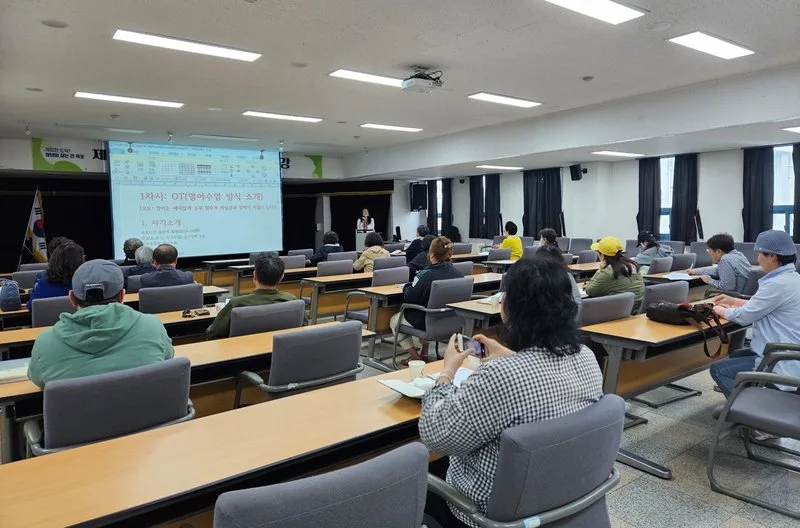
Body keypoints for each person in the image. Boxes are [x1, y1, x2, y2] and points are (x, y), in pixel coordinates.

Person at [419, 258, 604, 528]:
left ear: (508, 308)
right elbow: (542, 376)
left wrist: (446, 372)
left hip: (485, 515)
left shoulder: (500, 376)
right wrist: (510, 356)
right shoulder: (586, 357)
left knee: (419, 473)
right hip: (557, 497)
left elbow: (435, 437)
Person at [27, 259, 174, 388]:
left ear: (71, 298)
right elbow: (168, 357)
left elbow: (38, 379)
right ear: (122, 295)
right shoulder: (153, 326)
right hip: (145, 411)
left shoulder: (44, 343)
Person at [710, 230, 800, 399]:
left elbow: (743, 317)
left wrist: (717, 309)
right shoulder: (792, 278)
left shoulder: (777, 284)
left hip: (781, 358)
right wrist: (734, 301)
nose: (758, 259)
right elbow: (764, 306)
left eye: (760, 254)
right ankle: (752, 393)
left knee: (719, 369)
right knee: (736, 355)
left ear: (772, 256)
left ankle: (747, 408)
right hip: (786, 350)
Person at [391, 236, 464, 362]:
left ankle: (415, 357)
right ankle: (424, 352)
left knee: (394, 321)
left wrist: (408, 286)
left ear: (431, 255)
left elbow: (409, 297)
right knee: (425, 310)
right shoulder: (460, 275)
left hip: (428, 322)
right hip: (452, 321)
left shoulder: (424, 275)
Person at [206, 253, 297, 340]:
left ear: (254, 276)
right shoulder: (292, 300)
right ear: (281, 278)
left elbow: (212, 333)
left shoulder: (236, 304)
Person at [585, 236, 644, 313]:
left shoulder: (608, 272)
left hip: (617, 312)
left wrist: (600, 270)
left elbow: (590, 291)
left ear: (602, 255)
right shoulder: (632, 265)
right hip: (636, 309)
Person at [26, 242, 85, 310]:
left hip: (48, 317)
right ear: (80, 261)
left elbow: (31, 307)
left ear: (54, 260)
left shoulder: (42, 284)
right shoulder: (84, 285)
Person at [688, 233, 752, 293]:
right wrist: (696, 271)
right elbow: (717, 270)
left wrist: (709, 280)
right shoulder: (739, 254)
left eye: (709, 250)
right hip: (748, 293)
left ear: (718, 252)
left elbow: (727, 287)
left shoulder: (725, 259)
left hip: (736, 296)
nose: (709, 253)